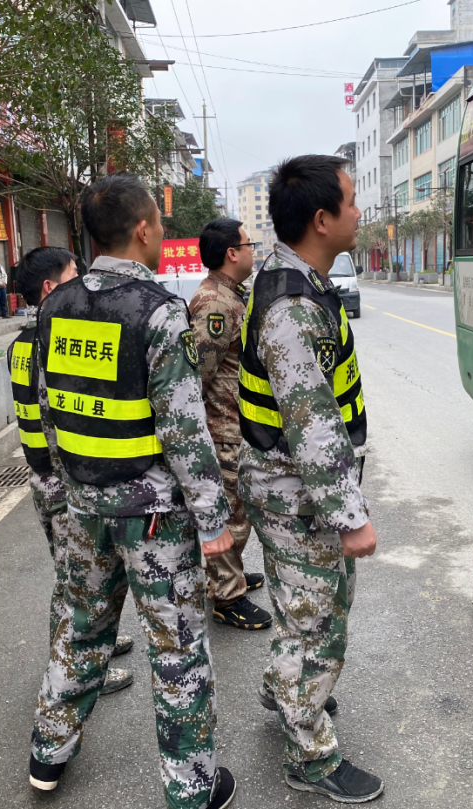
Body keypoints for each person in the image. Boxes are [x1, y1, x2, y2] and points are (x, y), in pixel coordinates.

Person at [28, 174, 238, 809]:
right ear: (145, 229)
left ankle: (48, 752)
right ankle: (192, 787)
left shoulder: (54, 307)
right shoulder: (157, 312)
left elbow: (47, 413)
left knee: (80, 630)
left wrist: (63, 493)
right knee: (177, 649)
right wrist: (213, 522)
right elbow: (184, 429)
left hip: (84, 508)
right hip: (152, 521)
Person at [238, 155, 383, 803]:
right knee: (319, 622)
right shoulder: (292, 309)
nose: (360, 212)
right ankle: (312, 755)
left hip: (288, 485)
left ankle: (283, 689)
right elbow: (312, 425)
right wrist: (349, 516)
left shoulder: (300, 280)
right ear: (321, 220)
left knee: (304, 610)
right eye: (352, 201)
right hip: (295, 491)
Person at [10, 246, 135, 697]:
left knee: (75, 577)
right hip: (62, 480)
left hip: (42, 475)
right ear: (50, 288)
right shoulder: (51, 341)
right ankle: (75, 670)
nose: (82, 281)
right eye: (73, 273)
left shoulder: (21, 343)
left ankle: (91, 647)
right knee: (73, 581)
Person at [190, 218, 273, 631]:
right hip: (222, 427)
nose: (253, 250)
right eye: (249, 243)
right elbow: (197, 376)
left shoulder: (230, 295)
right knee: (230, 515)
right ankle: (226, 595)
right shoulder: (216, 304)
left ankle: (230, 575)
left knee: (239, 510)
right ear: (231, 253)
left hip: (235, 424)